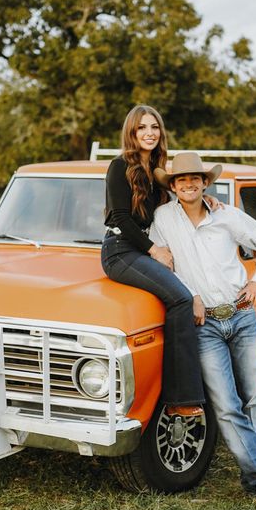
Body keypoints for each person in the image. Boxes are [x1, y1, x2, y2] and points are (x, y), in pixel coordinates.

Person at [150, 152, 256, 510]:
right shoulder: (163, 219)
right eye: (181, 180)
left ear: (205, 182)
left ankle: (254, 478)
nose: (189, 184)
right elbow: (159, 262)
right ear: (172, 186)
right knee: (227, 407)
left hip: (243, 315)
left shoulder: (226, 215)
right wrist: (190, 294)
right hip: (204, 324)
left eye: (195, 178)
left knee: (253, 401)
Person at [101, 105, 206, 416]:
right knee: (180, 299)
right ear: (131, 133)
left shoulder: (158, 170)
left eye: (154, 127)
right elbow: (120, 216)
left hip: (142, 247)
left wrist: (206, 199)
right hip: (120, 250)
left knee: (181, 297)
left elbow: (177, 201)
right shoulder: (120, 166)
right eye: (141, 128)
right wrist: (154, 250)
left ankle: (177, 390)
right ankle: (180, 400)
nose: (149, 133)